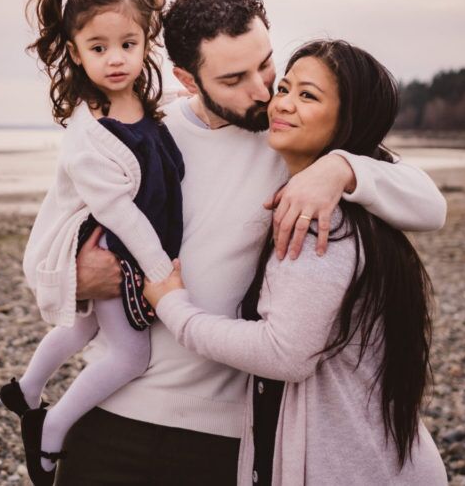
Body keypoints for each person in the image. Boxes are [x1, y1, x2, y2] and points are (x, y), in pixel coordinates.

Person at [40, 0, 447, 485]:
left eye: (267, 66)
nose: (262, 91)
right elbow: (43, 251)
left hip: (229, 435)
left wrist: (341, 169)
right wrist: (74, 274)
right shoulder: (137, 127)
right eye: (234, 78)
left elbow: (430, 206)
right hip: (112, 409)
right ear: (188, 79)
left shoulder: (289, 139)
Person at [144, 39, 448, 485]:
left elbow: (283, 353)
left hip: (352, 468)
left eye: (308, 96)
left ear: (349, 120)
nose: (281, 103)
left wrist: (175, 308)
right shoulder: (357, 203)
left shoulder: (318, 221)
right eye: (284, 88)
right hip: (372, 457)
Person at [0, 0, 184, 485]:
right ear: (77, 55)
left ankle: (26, 388)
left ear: (147, 44)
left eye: (128, 45)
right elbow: (121, 214)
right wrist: (161, 270)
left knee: (82, 328)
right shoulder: (89, 136)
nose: (116, 59)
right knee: (131, 353)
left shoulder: (144, 99)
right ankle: (52, 431)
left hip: (124, 244)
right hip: (113, 248)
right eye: (98, 48)